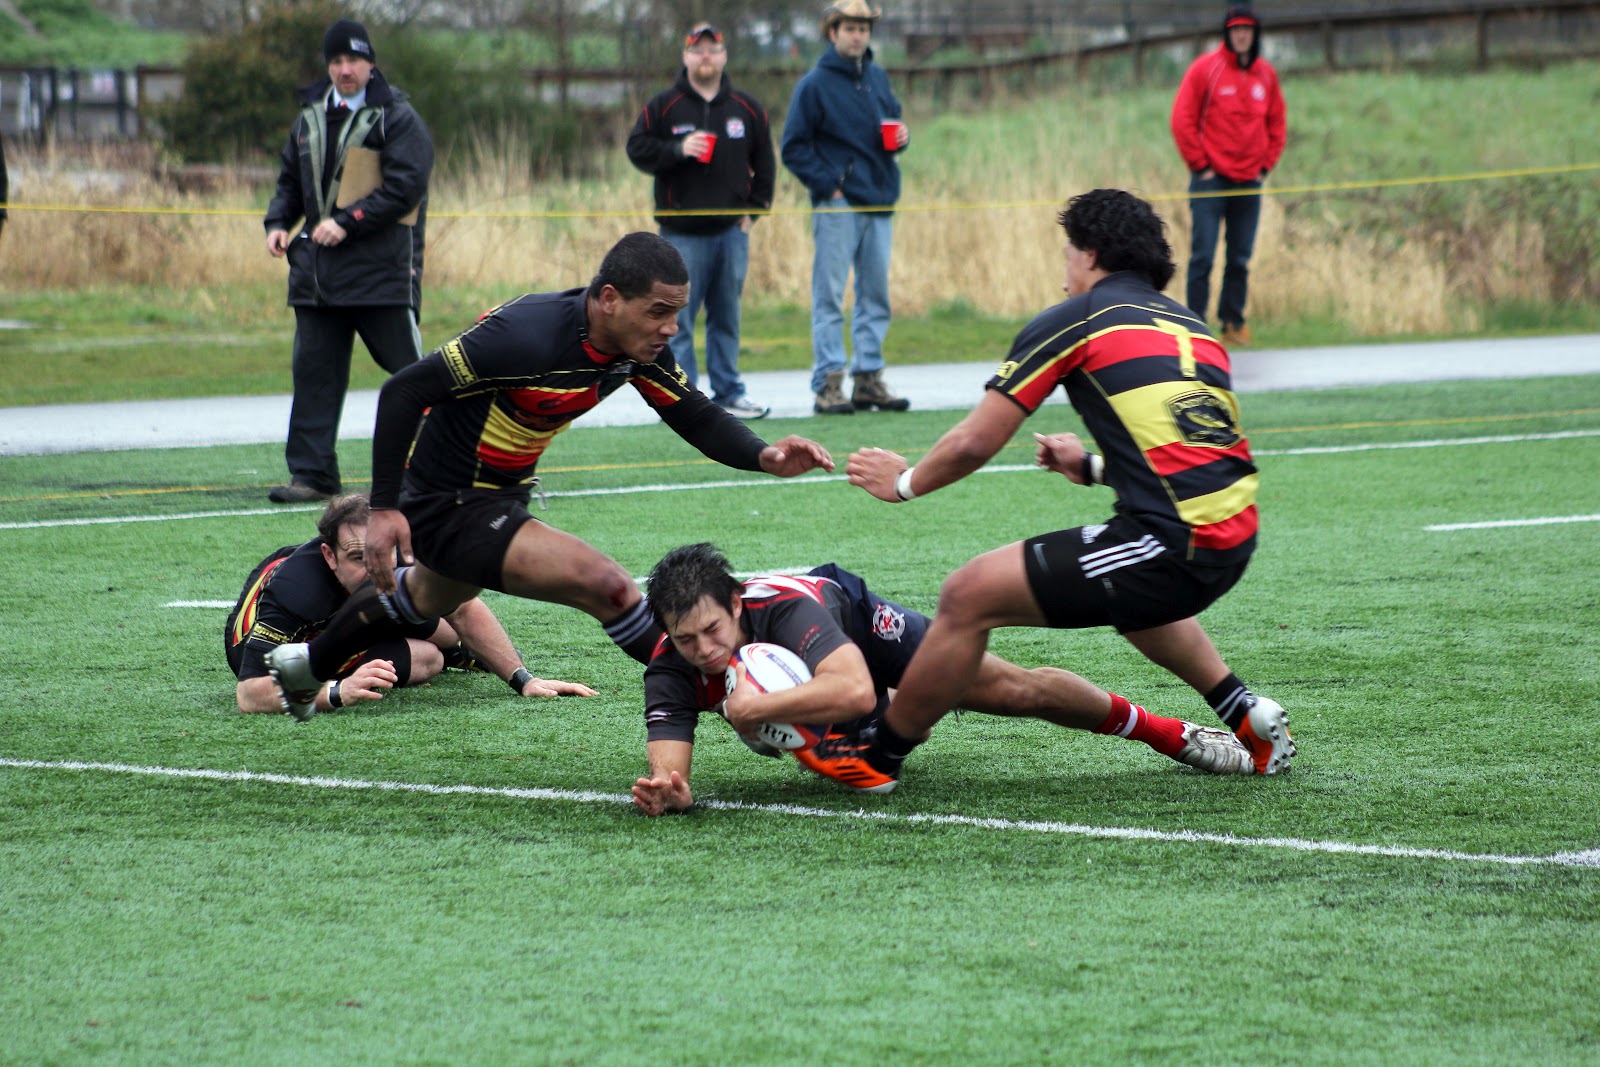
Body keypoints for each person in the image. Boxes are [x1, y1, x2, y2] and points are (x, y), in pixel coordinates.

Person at [823, 189, 1296, 792]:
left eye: (1068, 254)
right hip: (1231, 531)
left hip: (1178, 539)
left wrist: (905, 483)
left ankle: (876, 756)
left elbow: (976, 440)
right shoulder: (1191, 327)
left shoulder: (1081, 317)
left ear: (1090, 255)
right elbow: (1194, 455)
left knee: (968, 595)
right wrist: (1092, 468)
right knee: (1129, 594)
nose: (1065, 270)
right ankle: (1241, 711)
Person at [262, 233, 835, 719]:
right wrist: (386, 507)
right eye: (658, 311)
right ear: (609, 299)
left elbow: (693, 412)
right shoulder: (528, 334)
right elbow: (404, 389)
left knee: (425, 595)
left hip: (499, 496)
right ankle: (735, 694)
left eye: (677, 313)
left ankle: (305, 665)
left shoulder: (634, 350)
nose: (670, 327)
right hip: (449, 502)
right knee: (604, 583)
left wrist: (764, 455)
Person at [629, 543, 1256, 815]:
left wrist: (749, 711)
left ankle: (1168, 733)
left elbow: (850, 687)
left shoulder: (785, 610)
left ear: (737, 603)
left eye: (712, 630)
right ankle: (894, 717)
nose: (704, 650)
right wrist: (671, 790)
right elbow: (670, 770)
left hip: (858, 631)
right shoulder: (671, 664)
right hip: (824, 686)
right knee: (863, 777)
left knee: (1014, 691)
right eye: (686, 639)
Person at [263, 17, 434, 504]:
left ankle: (446, 462)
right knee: (314, 374)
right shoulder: (309, 117)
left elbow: (406, 187)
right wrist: (277, 223)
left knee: (414, 375)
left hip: (380, 274)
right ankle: (313, 475)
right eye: (336, 61)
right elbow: (289, 183)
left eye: (354, 60)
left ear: (371, 63)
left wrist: (348, 220)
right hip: (317, 276)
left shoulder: (397, 117)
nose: (344, 69)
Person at [227, 494, 592, 720]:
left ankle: (459, 651)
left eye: (382, 555)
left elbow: (464, 608)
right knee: (426, 656)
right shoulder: (297, 592)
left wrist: (524, 680)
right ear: (330, 556)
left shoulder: (407, 549)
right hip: (274, 644)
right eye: (358, 557)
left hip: (356, 620)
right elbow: (249, 694)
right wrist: (336, 691)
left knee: (441, 638)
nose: (375, 568)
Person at [625, 22, 776, 421]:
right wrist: (677, 148)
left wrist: (755, 210)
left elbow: (765, 161)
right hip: (680, 235)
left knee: (726, 315)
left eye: (713, 49)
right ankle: (681, 395)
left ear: (724, 56)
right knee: (678, 319)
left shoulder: (746, 107)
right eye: (698, 49)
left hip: (731, 232)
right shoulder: (664, 106)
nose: (705, 56)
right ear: (686, 56)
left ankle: (729, 391)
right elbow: (637, 148)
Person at [781, 0, 911, 416]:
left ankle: (869, 379)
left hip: (879, 199)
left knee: (875, 297)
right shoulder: (814, 84)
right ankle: (829, 383)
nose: (857, 35)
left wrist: (901, 136)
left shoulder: (877, 78)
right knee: (830, 298)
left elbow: (891, 123)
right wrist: (829, 187)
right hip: (838, 206)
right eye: (849, 28)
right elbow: (793, 147)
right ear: (832, 32)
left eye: (863, 28)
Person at [1169, 5, 1286, 347]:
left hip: (1249, 180)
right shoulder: (1206, 69)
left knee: (1239, 257)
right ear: (1227, 33)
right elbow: (1182, 119)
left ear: (1254, 34)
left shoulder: (1266, 75)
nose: (1241, 35)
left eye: (1247, 30)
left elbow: (1277, 124)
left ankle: (1233, 323)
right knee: (1203, 255)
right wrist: (1200, 166)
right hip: (1211, 180)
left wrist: (1265, 165)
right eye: (1235, 29)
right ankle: (1194, 326)